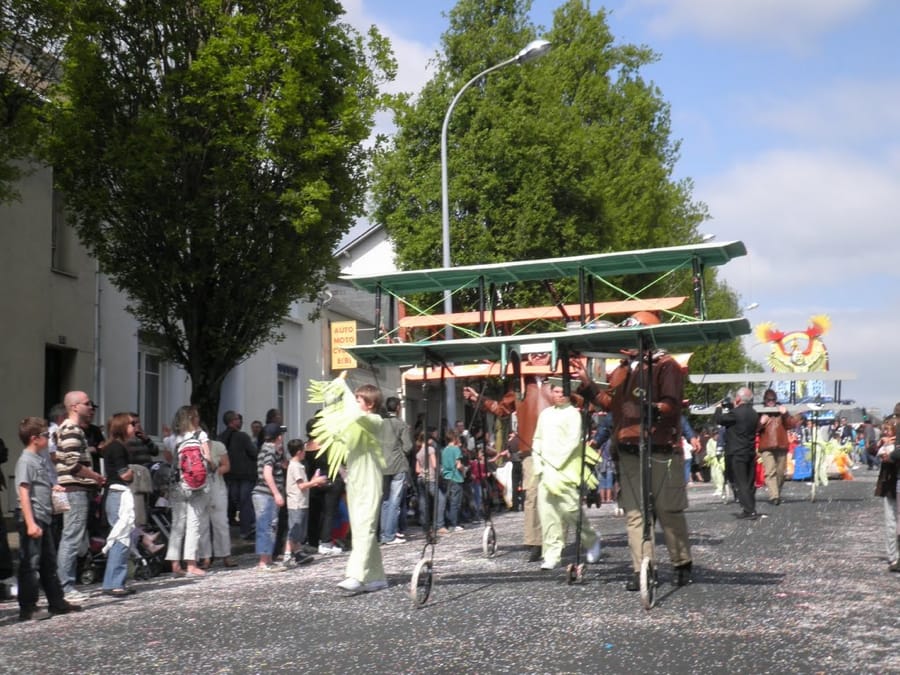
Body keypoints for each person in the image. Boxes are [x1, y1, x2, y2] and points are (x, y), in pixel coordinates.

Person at [574, 331, 694, 590]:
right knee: (635, 513)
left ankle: (681, 562)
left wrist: (645, 409)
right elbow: (611, 404)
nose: (624, 344)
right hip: (628, 448)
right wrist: (588, 385)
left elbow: (671, 405)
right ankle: (642, 568)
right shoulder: (622, 370)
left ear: (646, 338)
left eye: (631, 337)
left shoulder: (666, 365)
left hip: (661, 447)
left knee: (668, 510)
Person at [463, 360, 554, 563]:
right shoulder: (521, 384)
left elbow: (579, 400)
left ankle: (556, 539)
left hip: (557, 447)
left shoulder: (558, 379)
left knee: (558, 494)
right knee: (532, 494)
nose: (539, 356)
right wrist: (479, 399)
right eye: (534, 353)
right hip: (530, 447)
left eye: (543, 352)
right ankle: (535, 542)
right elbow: (501, 409)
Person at [311, 376, 388, 593]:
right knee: (362, 528)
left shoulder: (375, 421)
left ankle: (355, 574)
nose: (355, 403)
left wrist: (343, 390)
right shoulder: (356, 423)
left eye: (358, 400)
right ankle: (376, 576)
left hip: (370, 480)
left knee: (365, 527)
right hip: (355, 481)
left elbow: (355, 415)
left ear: (370, 404)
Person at [15, 417, 82, 620]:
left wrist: (53, 489)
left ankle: (57, 602)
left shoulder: (39, 460)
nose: (49, 439)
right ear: (34, 438)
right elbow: (23, 492)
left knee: (48, 563)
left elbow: (38, 486)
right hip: (33, 517)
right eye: (46, 435)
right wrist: (30, 523)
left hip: (43, 517)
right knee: (30, 564)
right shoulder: (26, 461)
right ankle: (28, 607)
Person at [532, 382, 601, 570]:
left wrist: (555, 463)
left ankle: (591, 539)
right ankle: (552, 554)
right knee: (547, 514)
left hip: (565, 469)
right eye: (556, 391)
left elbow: (572, 442)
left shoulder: (573, 414)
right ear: (551, 393)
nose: (559, 395)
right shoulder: (545, 414)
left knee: (570, 510)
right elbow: (537, 439)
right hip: (545, 470)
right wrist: (538, 462)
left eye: (563, 392)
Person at [54, 390, 106, 602]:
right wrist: (95, 476)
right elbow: (72, 463)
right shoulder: (71, 429)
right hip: (75, 490)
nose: (91, 407)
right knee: (72, 537)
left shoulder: (69, 429)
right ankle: (65, 587)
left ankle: (64, 585)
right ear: (74, 407)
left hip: (74, 489)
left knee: (71, 535)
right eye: (87, 403)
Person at [165, 405, 212, 577]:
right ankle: (191, 564)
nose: (199, 419)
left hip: (178, 485)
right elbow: (208, 458)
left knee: (177, 524)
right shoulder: (201, 435)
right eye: (197, 416)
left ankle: (175, 564)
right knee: (194, 524)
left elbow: (170, 461)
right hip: (198, 485)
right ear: (192, 418)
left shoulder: (171, 439)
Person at [101, 412, 137, 597]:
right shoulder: (118, 448)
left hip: (113, 494)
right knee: (121, 537)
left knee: (118, 536)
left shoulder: (111, 446)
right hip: (118, 493)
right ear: (122, 427)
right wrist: (133, 473)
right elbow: (124, 474)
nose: (135, 427)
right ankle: (115, 583)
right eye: (132, 424)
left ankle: (113, 582)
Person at [715, 387, 760, 519]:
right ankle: (750, 507)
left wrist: (718, 408)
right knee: (749, 482)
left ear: (738, 398)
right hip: (750, 451)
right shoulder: (754, 413)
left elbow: (719, 420)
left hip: (737, 452)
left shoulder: (735, 413)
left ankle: (749, 510)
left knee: (741, 482)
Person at [283, 438, 326, 566]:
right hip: (296, 503)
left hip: (301, 501)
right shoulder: (295, 466)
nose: (305, 453)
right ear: (299, 452)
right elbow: (301, 486)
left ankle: (298, 553)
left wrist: (313, 481)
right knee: (295, 529)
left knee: (299, 530)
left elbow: (305, 484)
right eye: (303, 450)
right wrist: (316, 481)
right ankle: (287, 554)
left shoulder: (298, 465)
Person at [252, 423, 288, 572]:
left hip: (263, 494)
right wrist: (277, 493)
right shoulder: (271, 450)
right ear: (278, 437)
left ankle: (268, 559)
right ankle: (263, 562)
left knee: (269, 526)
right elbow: (267, 473)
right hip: (266, 494)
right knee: (266, 527)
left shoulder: (265, 449)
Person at [219, 410, 258, 541]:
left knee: (234, 501)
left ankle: (233, 527)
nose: (239, 421)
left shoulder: (221, 437)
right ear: (232, 421)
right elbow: (254, 453)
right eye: (237, 419)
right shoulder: (242, 436)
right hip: (245, 475)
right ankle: (246, 530)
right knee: (245, 502)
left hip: (230, 475)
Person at [198, 439, 236, 569]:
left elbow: (226, 465)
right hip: (198, 487)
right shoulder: (191, 445)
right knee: (201, 524)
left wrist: (214, 471)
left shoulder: (218, 446)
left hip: (216, 485)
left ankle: (225, 554)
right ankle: (205, 557)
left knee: (221, 522)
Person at [380, 396, 412, 545]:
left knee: (385, 500)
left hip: (382, 465)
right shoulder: (400, 424)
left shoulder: (379, 424)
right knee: (395, 501)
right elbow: (408, 446)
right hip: (397, 464)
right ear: (398, 408)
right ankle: (390, 534)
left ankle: (383, 533)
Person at [756, 389, 797, 506]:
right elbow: (754, 429)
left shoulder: (781, 410)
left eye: (773, 399)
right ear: (765, 400)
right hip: (766, 446)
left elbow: (791, 424)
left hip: (781, 445)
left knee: (781, 473)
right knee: (770, 472)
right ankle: (774, 496)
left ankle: (776, 491)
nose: (771, 402)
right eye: (768, 400)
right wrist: (760, 422)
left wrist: (785, 414)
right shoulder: (760, 411)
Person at [873, 412, 899, 571]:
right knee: (892, 521)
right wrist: (880, 444)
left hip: (892, 483)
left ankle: (894, 557)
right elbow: (871, 450)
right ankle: (893, 556)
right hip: (890, 483)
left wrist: (890, 455)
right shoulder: (886, 442)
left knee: (892, 521)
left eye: (888, 429)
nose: (885, 432)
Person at [440, 430, 465, 532]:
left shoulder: (444, 450)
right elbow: (458, 465)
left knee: (448, 501)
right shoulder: (456, 449)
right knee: (456, 502)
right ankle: (454, 524)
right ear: (455, 438)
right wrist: (464, 469)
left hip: (446, 477)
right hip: (456, 477)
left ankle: (448, 522)